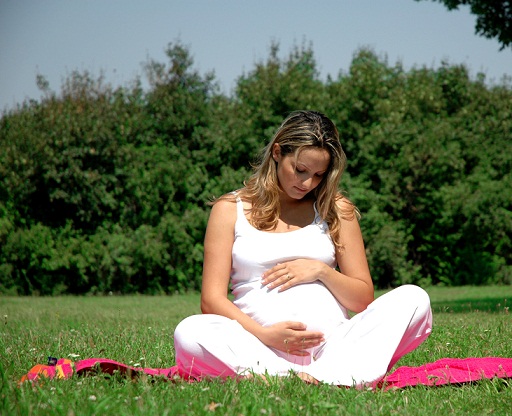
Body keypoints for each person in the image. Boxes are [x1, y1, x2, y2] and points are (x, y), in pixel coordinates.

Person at [173, 110, 432, 387]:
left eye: (319, 175)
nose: (307, 183)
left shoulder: (336, 208)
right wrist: (265, 335)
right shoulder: (229, 209)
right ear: (276, 153)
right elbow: (211, 300)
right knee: (189, 331)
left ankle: (315, 375)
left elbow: (362, 300)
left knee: (414, 298)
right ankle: (308, 377)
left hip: (333, 348)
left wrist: (320, 271)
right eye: (300, 170)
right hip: (259, 346)